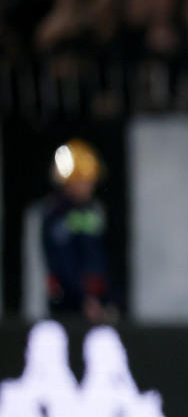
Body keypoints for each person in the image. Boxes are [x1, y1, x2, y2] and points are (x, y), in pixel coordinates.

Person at [41, 138, 114, 323]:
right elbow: (62, 262)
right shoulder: (56, 213)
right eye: (83, 181)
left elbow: (99, 256)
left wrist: (103, 298)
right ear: (69, 181)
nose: (89, 186)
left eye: (90, 181)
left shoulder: (94, 210)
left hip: (97, 301)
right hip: (67, 305)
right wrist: (84, 299)